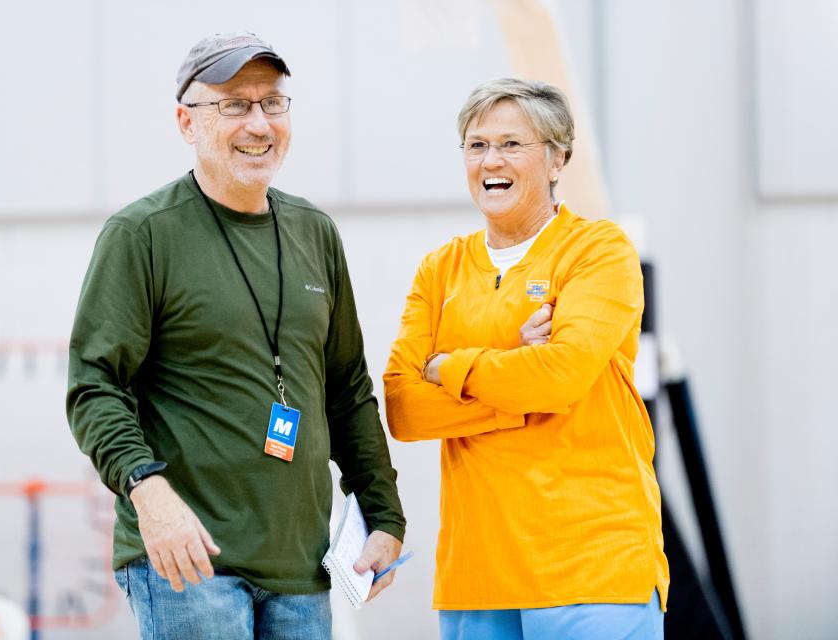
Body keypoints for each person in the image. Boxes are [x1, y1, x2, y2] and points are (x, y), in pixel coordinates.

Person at [66, 32, 405, 640]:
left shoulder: (314, 232)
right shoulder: (142, 234)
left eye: (272, 103)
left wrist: (383, 513)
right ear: (186, 122)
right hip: (191, 564)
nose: (259, 123)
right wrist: (149, 491)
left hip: (302, 569)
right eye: (234, 105)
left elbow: (347, 389)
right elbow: (94, 386)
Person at [383, 77, 669, 639]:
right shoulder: (438, 269)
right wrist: (513, 373)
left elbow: (560, 376)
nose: (492, 159)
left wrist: (450, 367)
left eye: (513, 144)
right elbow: (403, 408)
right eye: (477, 144)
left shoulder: (599, 251)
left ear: (558, 157)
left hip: (591, 570)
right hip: (477, 577)